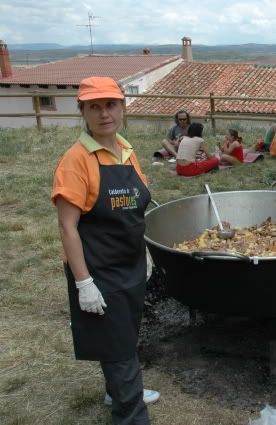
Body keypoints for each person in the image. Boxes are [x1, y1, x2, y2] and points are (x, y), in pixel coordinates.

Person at [51, 77, 159, 425]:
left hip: (128, 261)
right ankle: (130, 413)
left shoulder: (126, 150)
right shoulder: (76, 161)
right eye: (94, 106)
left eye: (110, 105)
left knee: (123, 333)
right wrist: (84, 283)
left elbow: (135, 209)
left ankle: (118, 388)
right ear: (82, 111)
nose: (104, 113)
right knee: (118, 345)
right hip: (98, 268)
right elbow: (68, 227)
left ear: (123, 108)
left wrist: (144, 253)